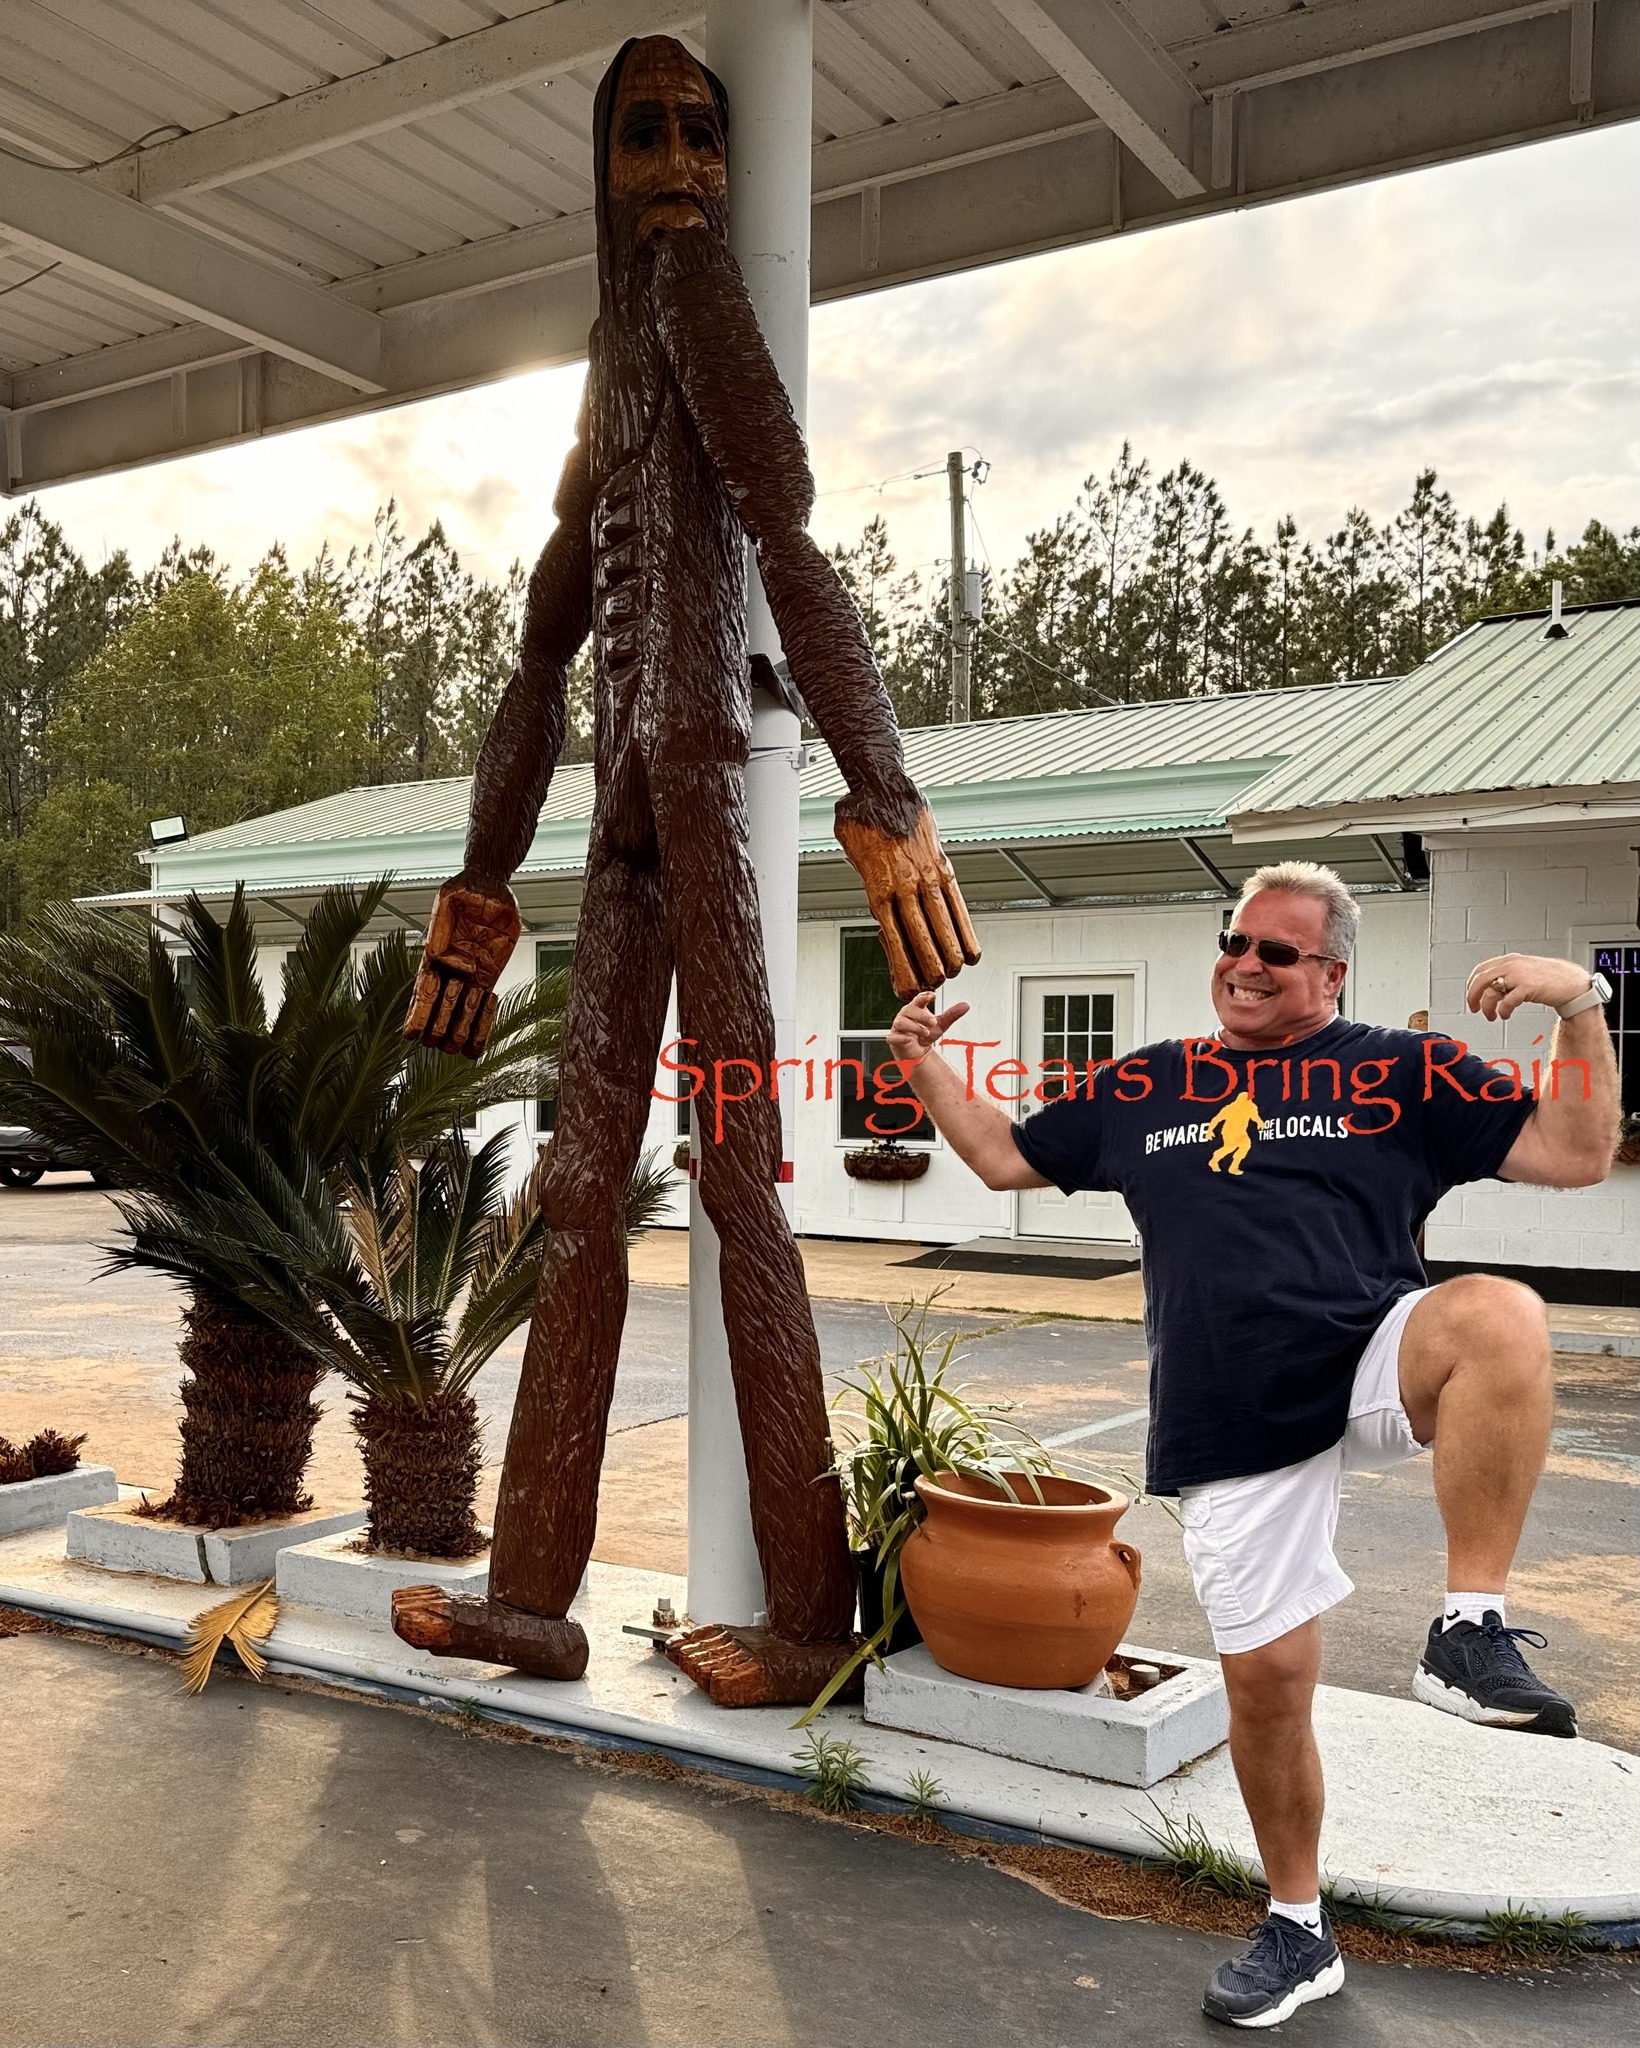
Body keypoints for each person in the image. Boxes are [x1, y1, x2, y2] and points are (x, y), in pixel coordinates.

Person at [389, 34, 977, 1705]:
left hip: (708, 795)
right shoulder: (613, 355)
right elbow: (539, 646)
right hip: (625, 822)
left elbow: (786, 529)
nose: (679, 163)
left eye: (702, 133)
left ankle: (809, 1615)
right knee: (578, 1196)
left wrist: (885, 788)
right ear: (600, 162)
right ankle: (530, 1596)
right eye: (645, 134)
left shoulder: (699, 298)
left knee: (737, 1177)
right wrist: (481, 883)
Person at [886, 859, 1617, 2030]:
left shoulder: (1398, 1068)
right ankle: (1296, 1924)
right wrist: (924, 1062)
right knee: (1267, 1687)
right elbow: (1005, 1156)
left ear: (1330, 972)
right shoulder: (1147, 1083)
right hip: (1228, 1407)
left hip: (1370, 1352)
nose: (1244, 962)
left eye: (1276, 949)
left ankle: (1466, 1627)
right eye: (1233, 940)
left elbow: (1576, 1150)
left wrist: (1576, 999)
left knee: (1499, 1315)